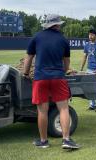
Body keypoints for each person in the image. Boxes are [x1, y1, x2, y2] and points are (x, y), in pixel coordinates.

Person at [23, 14, 80, 150]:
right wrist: (64, 71)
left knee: (42, 111)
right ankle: (66, 139)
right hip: (58, 78)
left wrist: (25, 73)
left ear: (46, 25)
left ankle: (43, 141)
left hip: (40, 78)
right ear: (58, 25)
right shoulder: (63, 39)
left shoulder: (36, 37)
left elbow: (28, 58)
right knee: (64, 108)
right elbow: (66, 62)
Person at [80, 28, 96, 112]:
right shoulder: (87, 45)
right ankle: (92, 105)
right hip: (89, 69)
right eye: (89, 34)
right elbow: (84, 56)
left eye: (92, 34)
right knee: (90, 88)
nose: (90, 36)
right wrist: (81, 69)